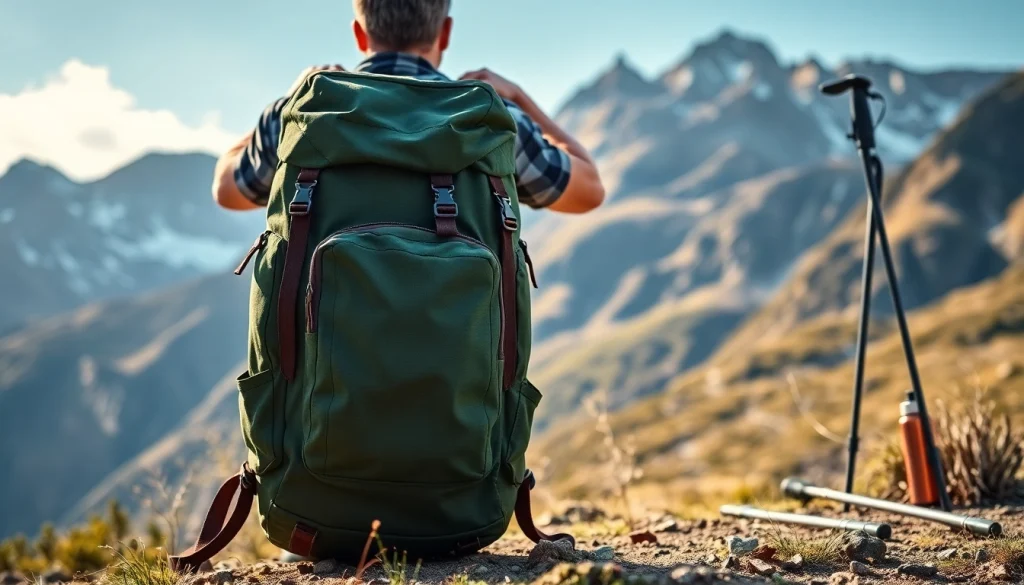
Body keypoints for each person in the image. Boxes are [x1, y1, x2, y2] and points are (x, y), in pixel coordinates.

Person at [212, 0, 605, 215]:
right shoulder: (491, 122)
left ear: (359, 34)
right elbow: (589, 190)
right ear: (445, 33)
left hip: (322, 361)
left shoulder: (304, 117)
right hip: (459, 361)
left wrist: (294, 97)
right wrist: (519, 98)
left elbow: (226, 190)